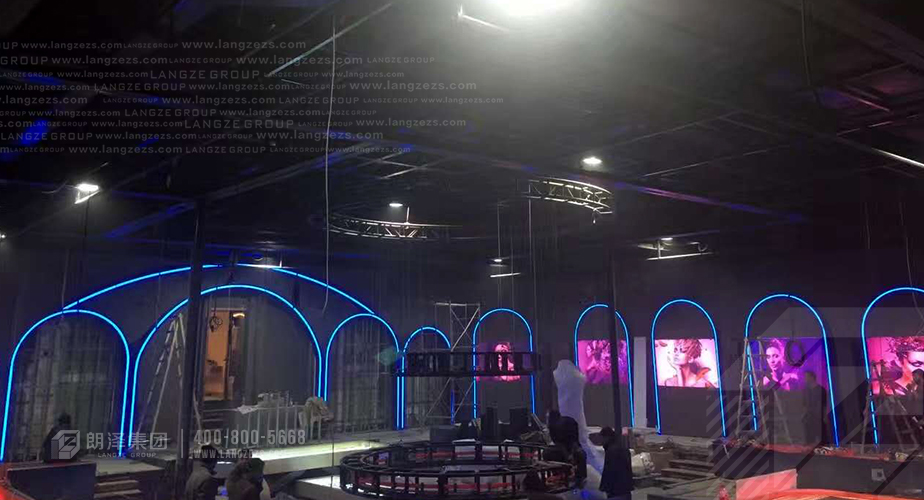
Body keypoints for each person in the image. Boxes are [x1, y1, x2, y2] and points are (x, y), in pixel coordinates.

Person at [544, 416, 587, 490]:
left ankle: (574, 478)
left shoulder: (557, 427)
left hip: (566, 448)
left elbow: (568, 443)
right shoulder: (559, 426)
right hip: (565, 449)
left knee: (579, 454)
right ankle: (574, 478)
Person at [592, 427, 634, 500]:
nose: (601, 441)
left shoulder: (611, 451)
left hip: (615, 491)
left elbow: (609, 471)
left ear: (606, 437)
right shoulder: (624, 449)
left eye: (602, 438)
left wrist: (604, 487)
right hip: (626, 489)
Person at [802, 371, 828, 446]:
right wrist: (804, 415)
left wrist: (825, 416)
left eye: (807, 377)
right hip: (809, 417)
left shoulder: (821, 390)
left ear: (812, 377)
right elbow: (805, 404)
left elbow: (824, 405)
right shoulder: (806, 390)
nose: (805, 379)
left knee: (821, 437)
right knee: (809, 438)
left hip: (818, 416)